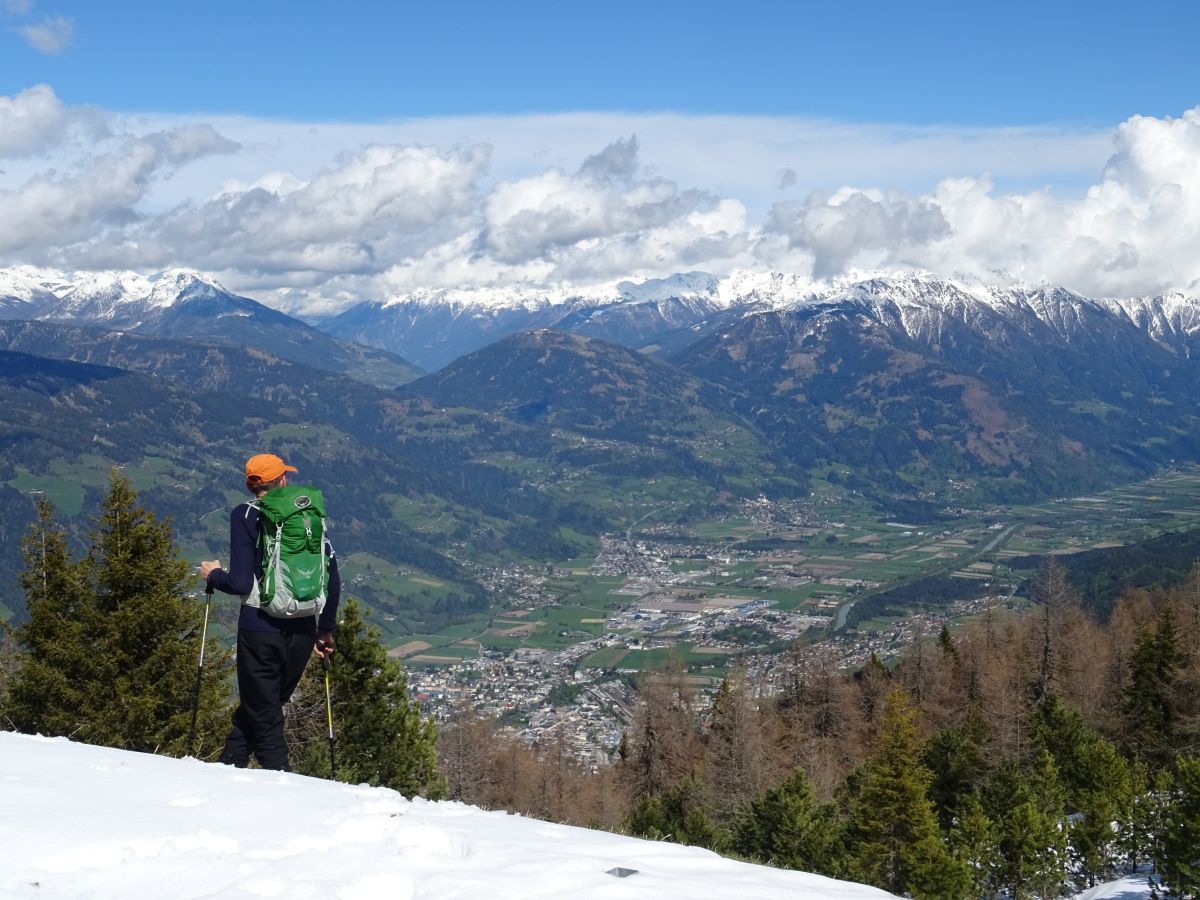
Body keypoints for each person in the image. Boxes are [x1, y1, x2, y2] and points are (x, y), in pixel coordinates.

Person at [199, 453, 340, 770]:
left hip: (260, 629)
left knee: (265, 716)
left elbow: (238, 583)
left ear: (250, 484)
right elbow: (332, 577)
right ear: (283, 480)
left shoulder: (245, 515)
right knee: (261, 707)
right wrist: (325, 630)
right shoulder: (307, 515)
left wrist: (213, 575)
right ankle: (227, 770)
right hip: (303, 631)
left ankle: (284, 783)